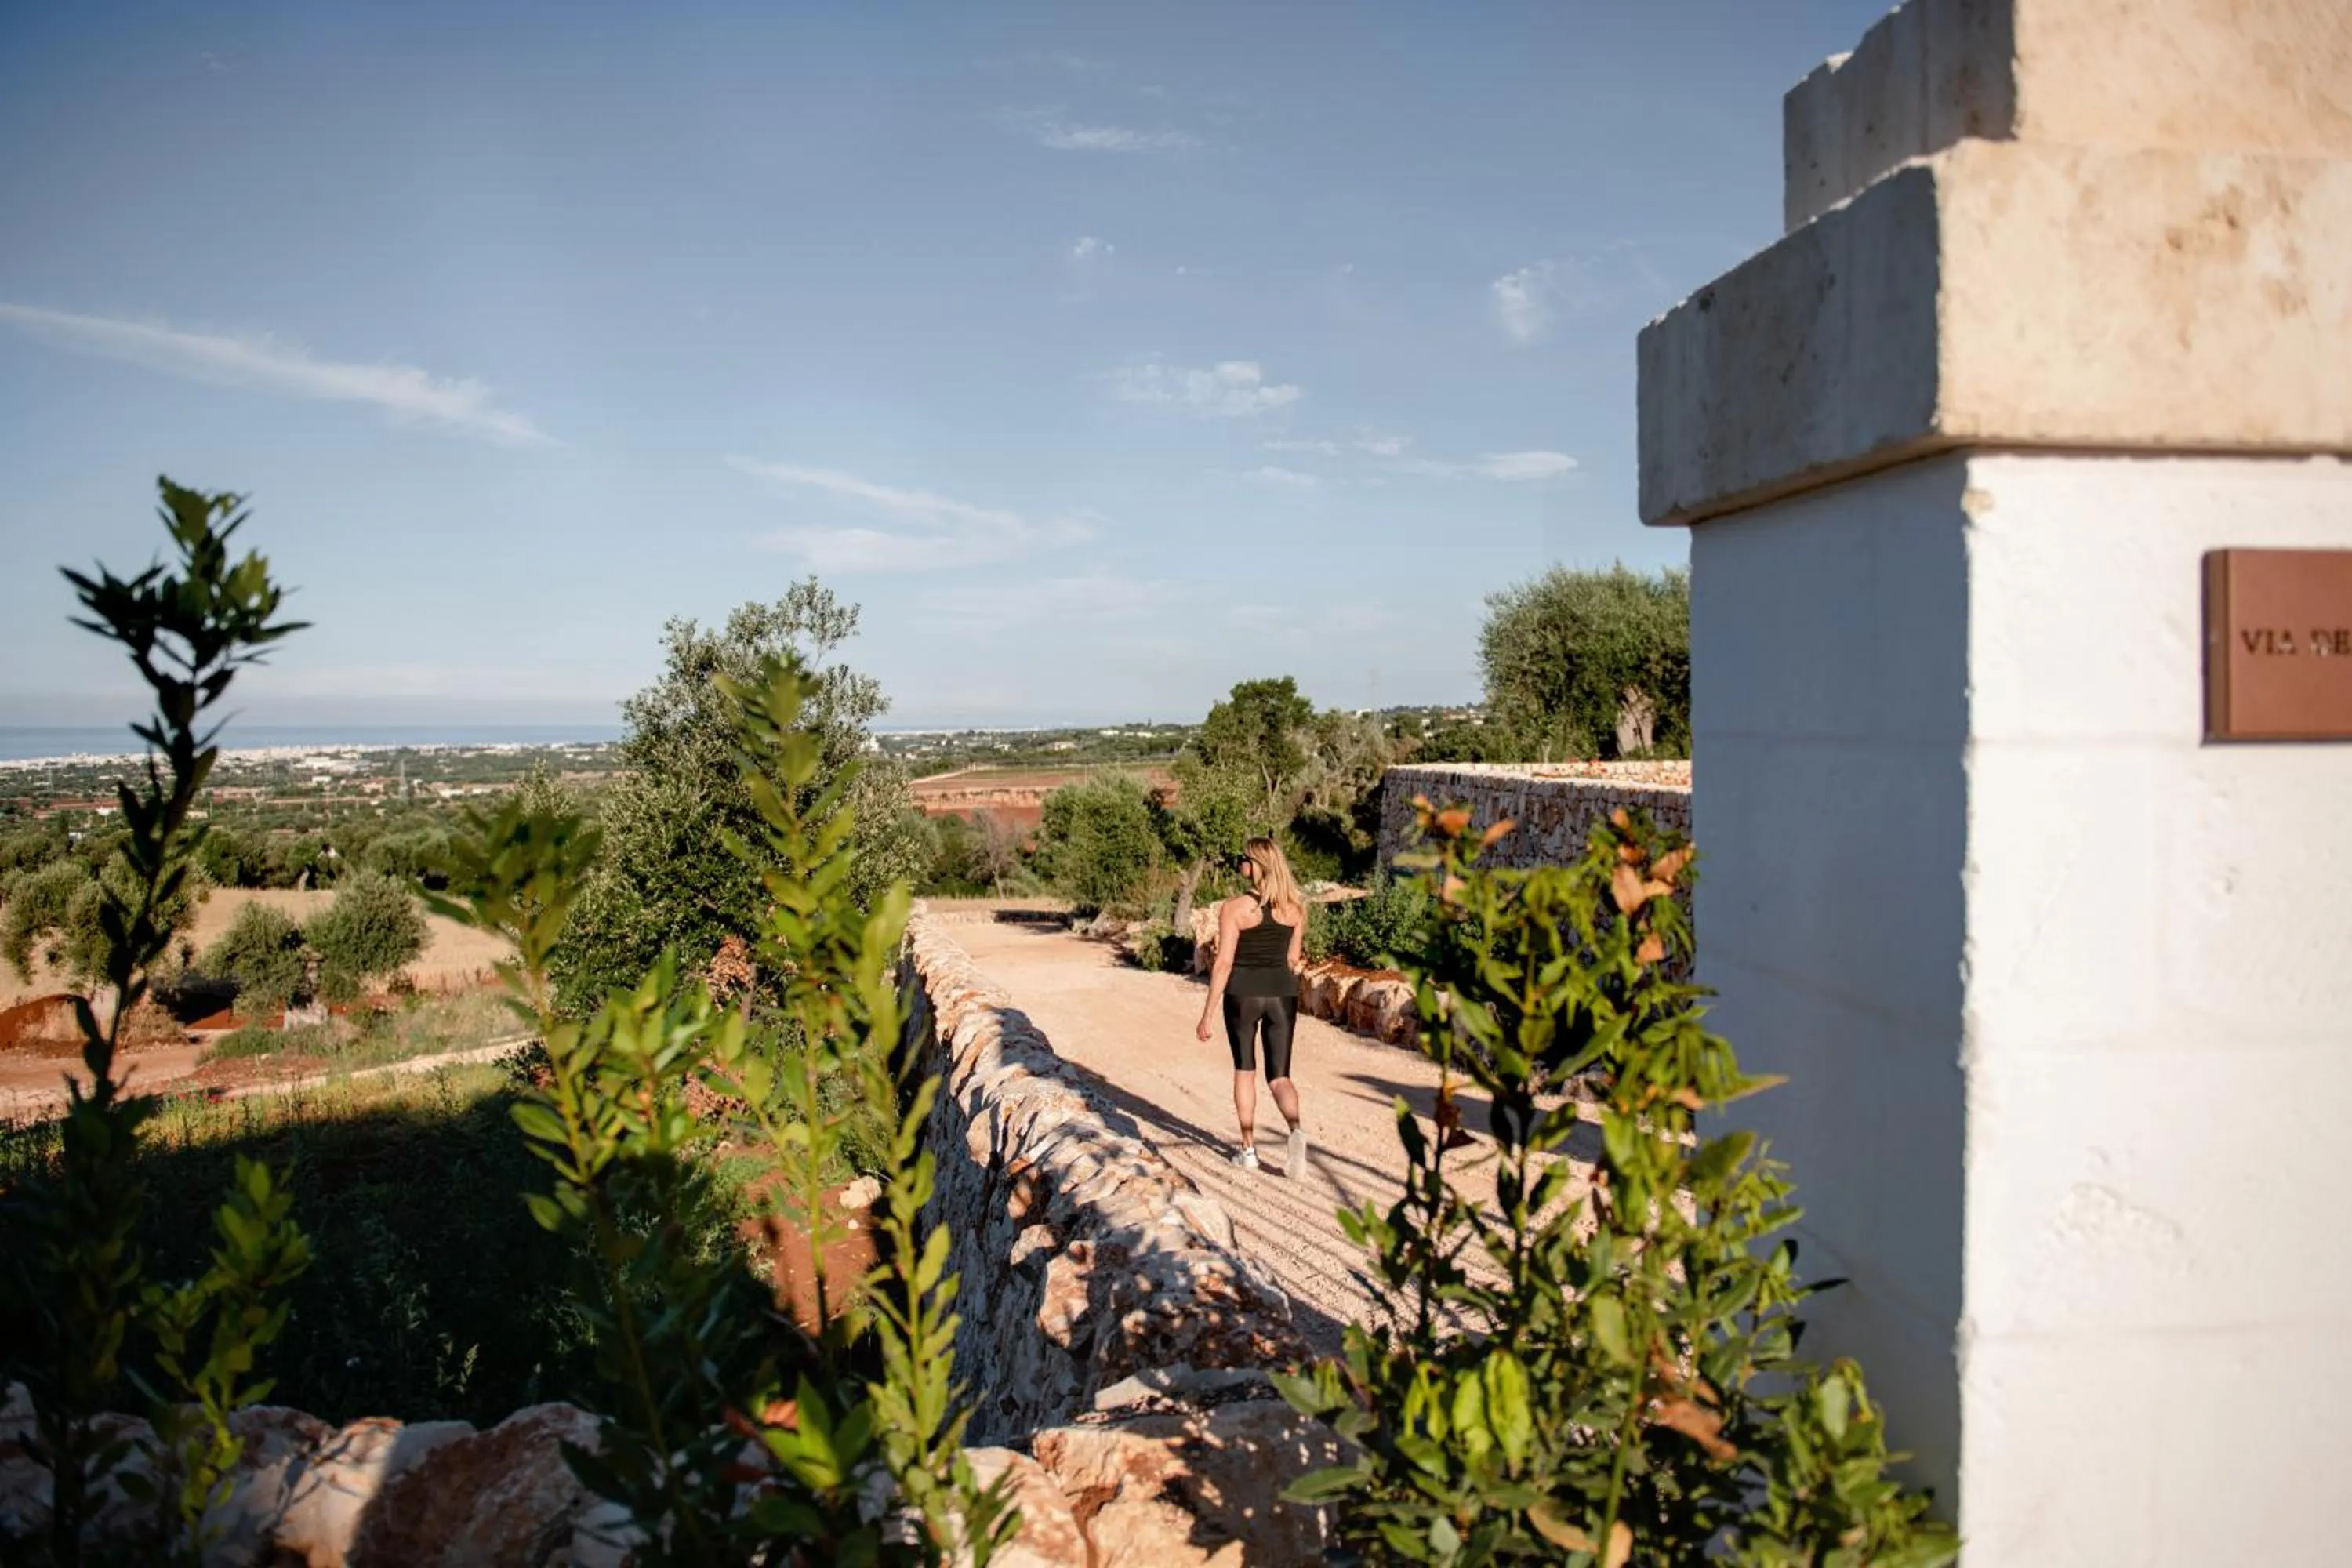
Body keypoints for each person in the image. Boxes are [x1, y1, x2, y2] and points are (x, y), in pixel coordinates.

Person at [1196, 835, 1309, 1177]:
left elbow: (1224, 963)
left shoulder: (1233, 908)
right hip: (1281, 993)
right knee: (1280, 1076)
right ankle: (1296, 1130)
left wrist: (1208, 1014)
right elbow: (1293, 959)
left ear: (1256, 865)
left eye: (1242, 860)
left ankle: (1248, 1149)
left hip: (1243, 993)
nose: (1239, 866)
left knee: (1245, 1069)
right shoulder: (1295, 909)